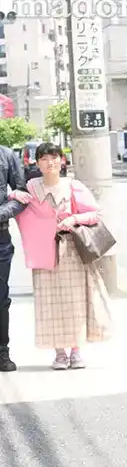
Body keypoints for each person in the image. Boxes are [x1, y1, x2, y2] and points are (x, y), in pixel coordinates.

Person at [10, 142, 111, 370]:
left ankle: (75, 351)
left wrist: (74, 219)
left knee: (75, 302)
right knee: (49, 303)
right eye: (44, 159)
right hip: (43, 252)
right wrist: (15, 194)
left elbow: (95, 214)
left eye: (54, 157)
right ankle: (59, 354)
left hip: (72, 251)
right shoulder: (31, 187)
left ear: (62, 160)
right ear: (37, 163)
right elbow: (18, 205)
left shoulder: (73, 186)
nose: (50, 163)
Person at [0, 145, 29, 372]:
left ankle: (2, 352)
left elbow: (22, 196)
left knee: (1, 298)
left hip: (0, 238)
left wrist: (1, 213)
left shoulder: (6, 155)